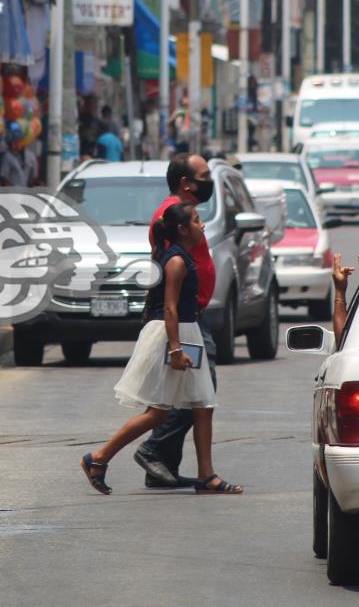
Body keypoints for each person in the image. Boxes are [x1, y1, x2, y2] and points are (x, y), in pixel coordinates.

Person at [80, 202, 241, 495]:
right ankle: (98, 457)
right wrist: (175, 349)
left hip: (187, 334)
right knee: (158, 412)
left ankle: (207, 476)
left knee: (204, 405)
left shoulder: (182, 256)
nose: (202, 225)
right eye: (196, 220)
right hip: (174, 336)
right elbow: (169, 308)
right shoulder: (176, 261)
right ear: (182, 229)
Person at [133, 153, 217, 488]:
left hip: (190, 318)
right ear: (186, 182)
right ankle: (151, 451)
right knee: (198, 394)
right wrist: (175, 340)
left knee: (186, 392)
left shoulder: (182, 216)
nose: (208, 180)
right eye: (204, 175)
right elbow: (170, 271)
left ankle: (161, 466)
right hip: (182, 320)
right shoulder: (168, 218)